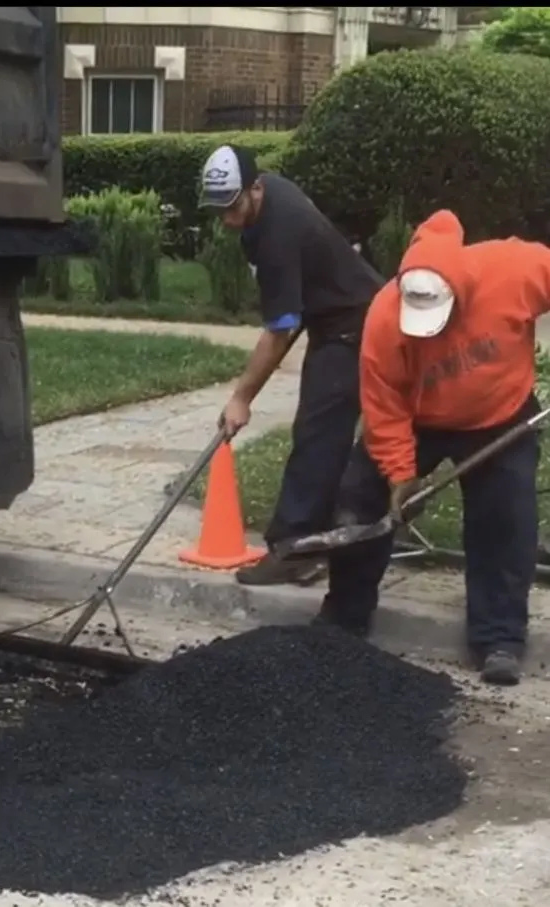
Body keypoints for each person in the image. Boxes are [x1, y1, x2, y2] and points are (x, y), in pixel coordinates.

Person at [314, 209, 548, 686]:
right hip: (421, 420)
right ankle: (345, 617)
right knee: (362, 499)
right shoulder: (384, 316)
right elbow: (383, 407)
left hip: (500, 416)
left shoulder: (514, 268)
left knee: (504, 519)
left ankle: (499, 638)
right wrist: (401, 475)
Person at [199, 144, 384, 586]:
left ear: (255, 189)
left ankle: (296, 548)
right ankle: (322, 539)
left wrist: (242, 398)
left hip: (354, 327)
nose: (226, 219)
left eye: (233, 206)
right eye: (219, 209)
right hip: (343, 316)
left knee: (318, 434)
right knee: (324, 432)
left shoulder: (278, 233)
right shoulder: (271, 195)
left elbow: (280, 329)